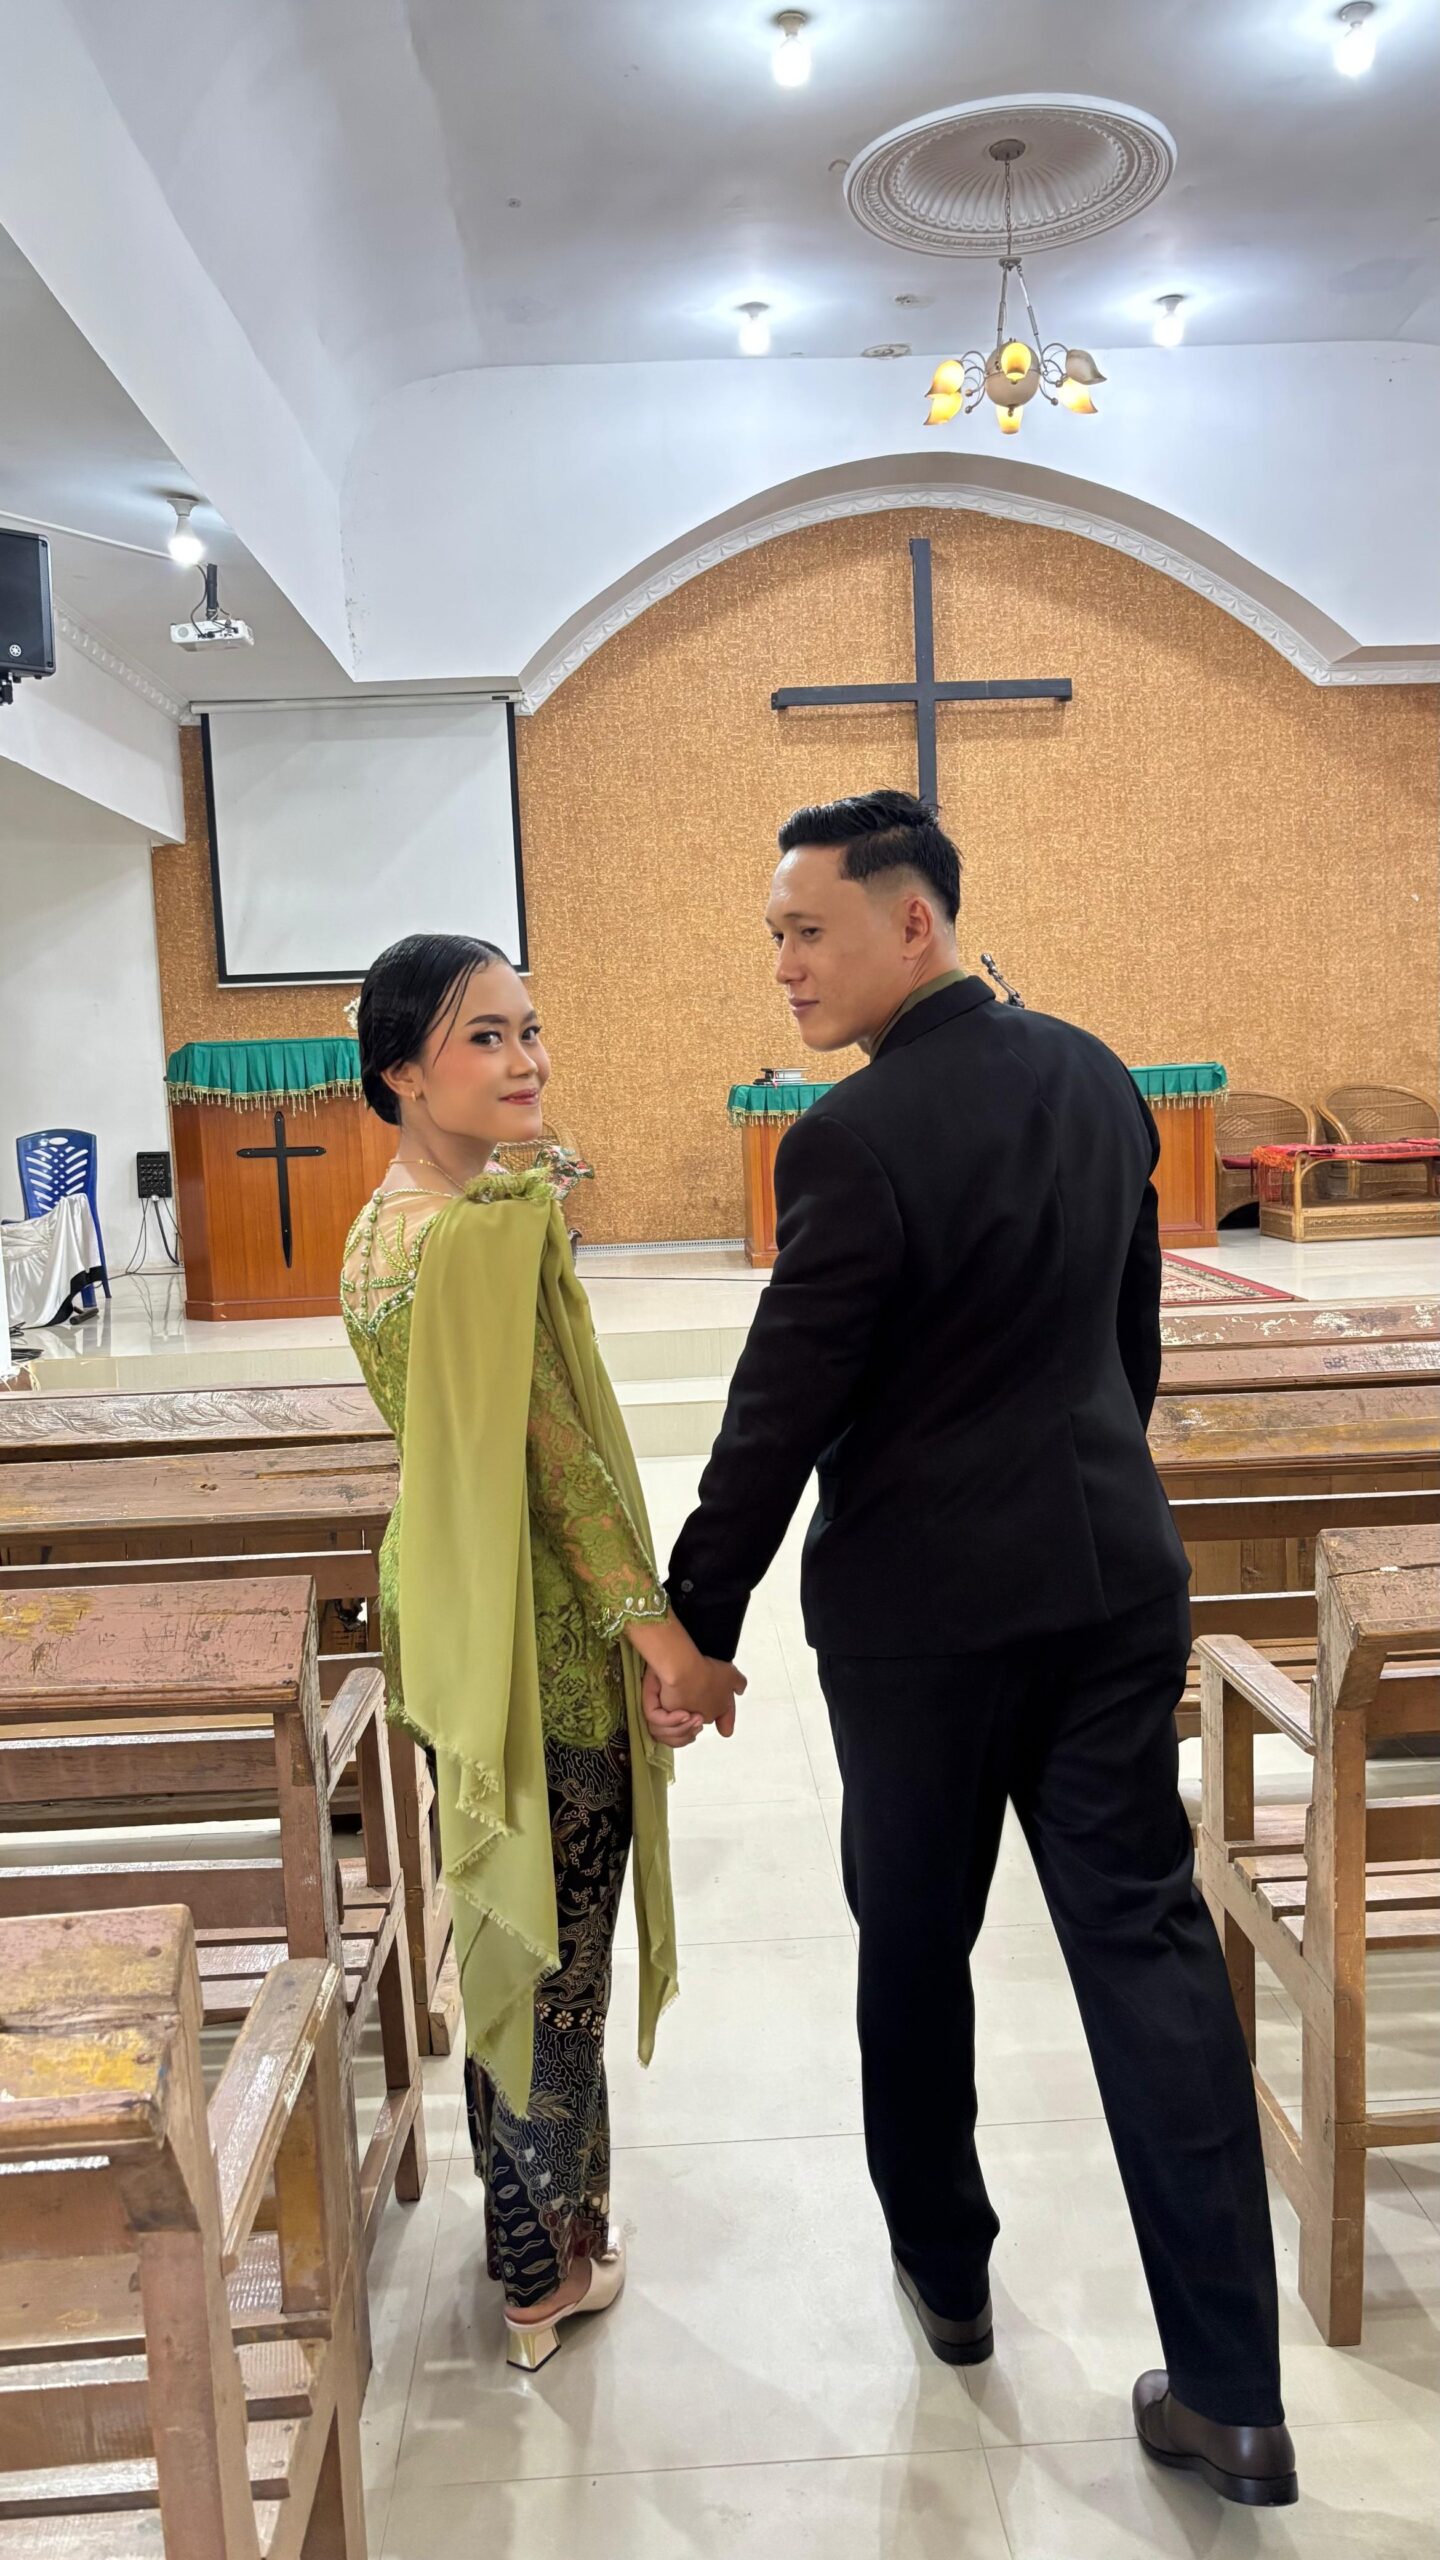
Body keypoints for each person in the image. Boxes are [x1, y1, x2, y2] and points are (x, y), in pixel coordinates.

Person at [656, 791, 1297, 2508]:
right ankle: (1234, 2392)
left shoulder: (849, 1140)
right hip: (1109, 1584)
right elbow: (1127, 1346)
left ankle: (947, 2278)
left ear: (913, 921)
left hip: (923, 1625)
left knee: (915, 1940)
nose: (785, 966)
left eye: (809, 931)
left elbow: (781, 1406)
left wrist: (697, 1618)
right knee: (1148, 1952)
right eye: (775, 935)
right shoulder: (1096, 1077)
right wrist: (1080, 1491)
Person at [342, 932, 741, 2372]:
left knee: (506, 1923)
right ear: (402, 1070)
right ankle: (545, 2267)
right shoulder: (480, 1238)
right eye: (485, 1037)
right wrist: (674, 1649)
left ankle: (529, 2241)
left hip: (451, 1620)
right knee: (557, 1960)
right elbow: (560, 1471)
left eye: (528, 1029)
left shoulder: (380, 1231)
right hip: (538, 1637)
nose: (526, 1059)